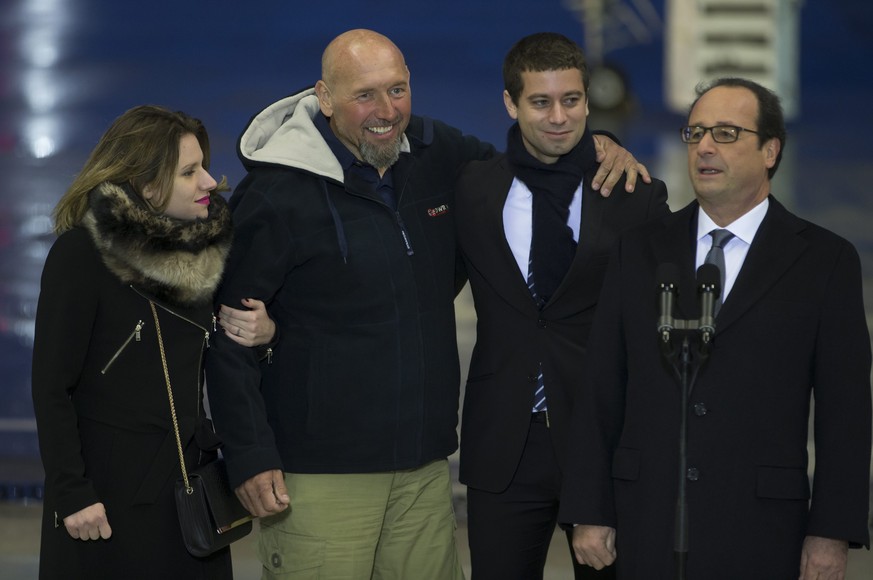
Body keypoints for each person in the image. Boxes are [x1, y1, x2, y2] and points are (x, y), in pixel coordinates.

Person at [205, 28, 648, 579]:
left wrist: (598, 144)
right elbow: (227, 336)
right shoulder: (277, 194)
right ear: (323, 97)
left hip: (422, 472)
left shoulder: (440, 156)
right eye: (364, 95)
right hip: (321, 475)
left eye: (397, 90)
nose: (385, 111)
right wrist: (248, 455)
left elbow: (535, 157)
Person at [559, 78, 872, 579]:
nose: (704, 146)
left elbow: (845, 412)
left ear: (770, 150)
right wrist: (588, 508)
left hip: (762, 530)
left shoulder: (825, 261)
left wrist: (831, 530)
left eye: (726, 133)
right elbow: (601, 388)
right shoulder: (638, 250)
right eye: (696, 132)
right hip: (646, 523)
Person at [453, 32, 670, 580]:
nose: (559, 118)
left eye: (571, 101)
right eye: (540, 102)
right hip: (503, 447)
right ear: (511, 103)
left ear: (588, 100)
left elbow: (659, 335)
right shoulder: (474, 191)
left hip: (603, 447)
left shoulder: (635, 196)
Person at [30, 105, 270, 579]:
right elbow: (52, 387)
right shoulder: (81, 255)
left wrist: (265, 333)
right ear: (145, 185)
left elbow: (222, 352)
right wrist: (72, 493)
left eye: (203, 165)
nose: (210, 182)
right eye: (189, 171)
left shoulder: (205, 254)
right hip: (105, 501)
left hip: (188, 490)